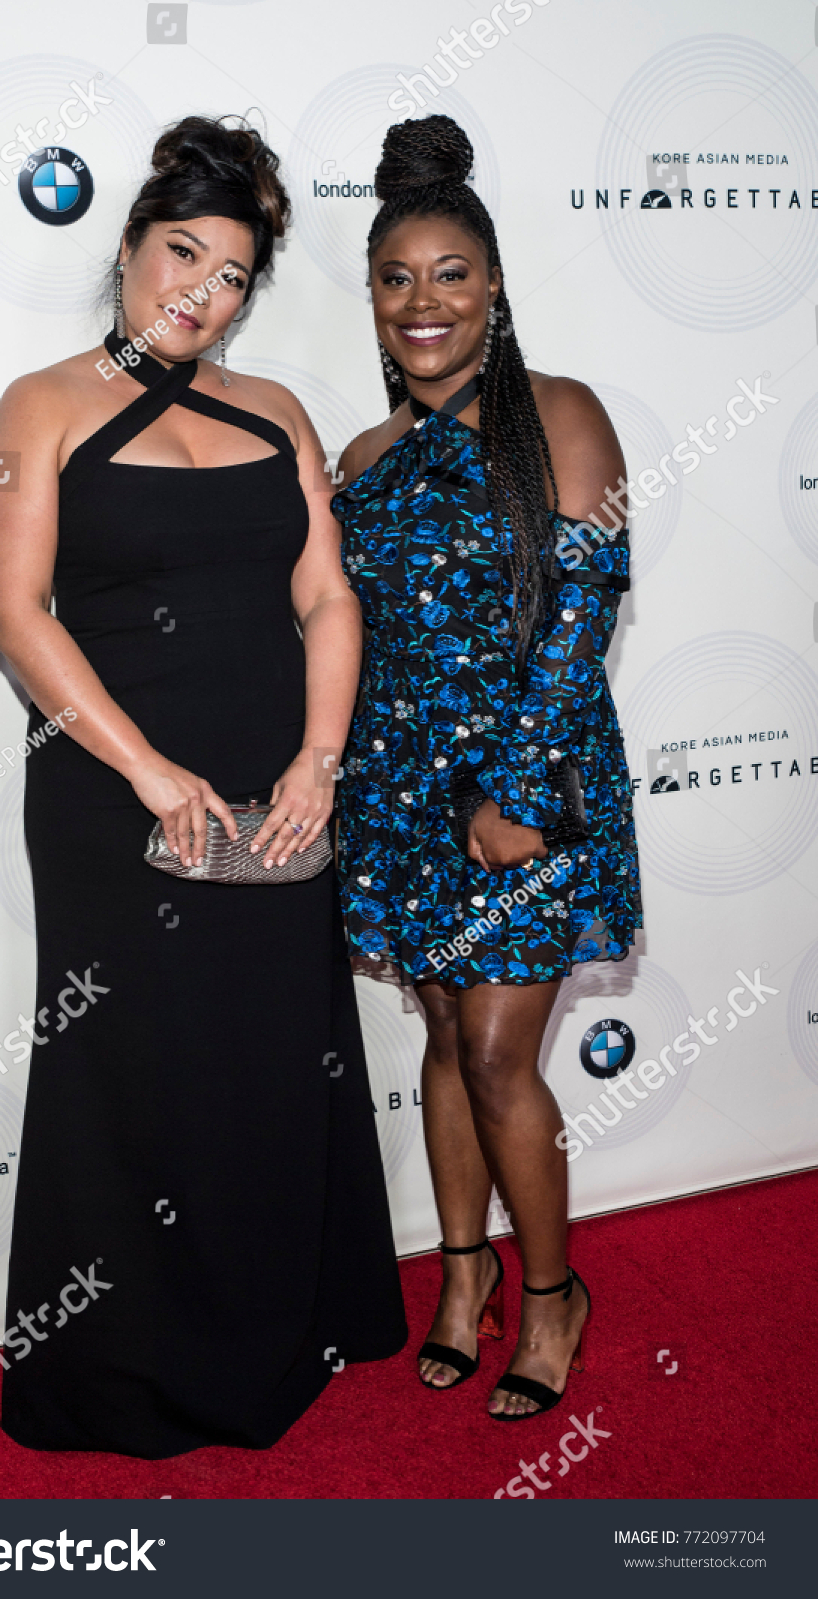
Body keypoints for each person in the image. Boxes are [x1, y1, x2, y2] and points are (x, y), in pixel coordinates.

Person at [0, 115, 406, 1460]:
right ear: (127, 248)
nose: (199, 294)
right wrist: (154, 774)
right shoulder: (41, 406)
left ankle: (285, 1328)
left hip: (279, 796)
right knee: (139, 1073)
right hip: (114, 798)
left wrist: (319, 761)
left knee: (269, 1060)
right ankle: (125, 1371)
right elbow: (12, 616)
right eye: (180, 254)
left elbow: (328, 596)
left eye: (230, 276)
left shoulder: (275, 412)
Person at [332, 115, 640, 1420]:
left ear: (494, 285)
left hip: (532, 788)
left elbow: (580, 620)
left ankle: (553, 1292)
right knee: (448, 1040)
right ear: (371, 298)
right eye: (396, 278)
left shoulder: (559, 415)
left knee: (502, 1055)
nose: (424, 301)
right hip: (400, 796)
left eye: (450, 274)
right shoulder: (362, 459)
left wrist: (511, 796)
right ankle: (464, 1280)